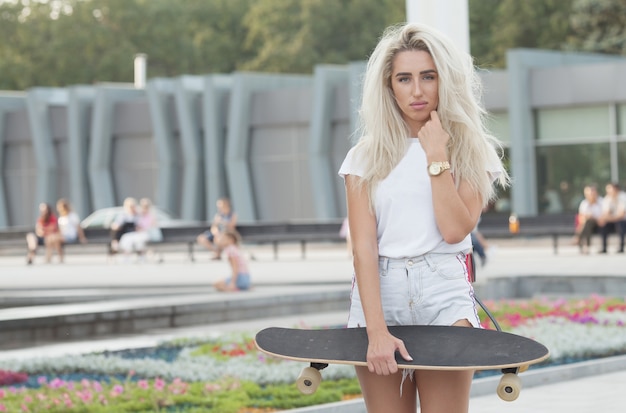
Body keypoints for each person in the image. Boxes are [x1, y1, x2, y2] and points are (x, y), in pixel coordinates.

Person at [338, 23, 509, 413]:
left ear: (443, 81)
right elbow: (363, 248)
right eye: (404, 78)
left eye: (428, 76)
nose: (417, 91)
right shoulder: (365, 156)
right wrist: (376, 332)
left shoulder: (471, 151)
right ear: (389, 85)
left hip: (443, 292)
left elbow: (454, 230)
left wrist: (436, 157)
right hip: (381, 293)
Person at [573, 184, 603, 254]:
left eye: (592, 193)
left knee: (586, 224)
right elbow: (581, 217)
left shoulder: (602, 201)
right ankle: (586, 245)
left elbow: (605, 214)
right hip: (588, 224)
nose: (591, 195)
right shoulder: (584, 203)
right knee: (587, 223)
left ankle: (578, 238)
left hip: (601, 223)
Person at [597, 182, 626, 254]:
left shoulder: (623, 197)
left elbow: (622, 215)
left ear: (616, 189)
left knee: (620, 224)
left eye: (610, 189)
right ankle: (604, 247)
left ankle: (621, 247)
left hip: (623, 221)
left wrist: (609, 218)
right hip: (612, 220)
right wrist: (606, 219)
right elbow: (605, 213)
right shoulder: (607, 199)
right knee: (603, 225)